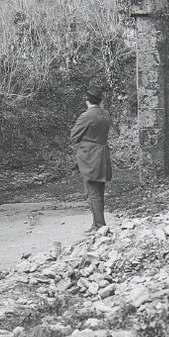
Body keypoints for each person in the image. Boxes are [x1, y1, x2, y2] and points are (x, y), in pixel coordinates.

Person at [70, 87, 112, 232]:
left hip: (90, 157)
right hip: (103, 155)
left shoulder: (86, 116)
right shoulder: (105, 114)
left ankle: (100, 225)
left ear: (87, 100)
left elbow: (74, 136)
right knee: (99, 192)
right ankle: (97, 224)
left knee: (92, 192)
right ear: (100, 100)